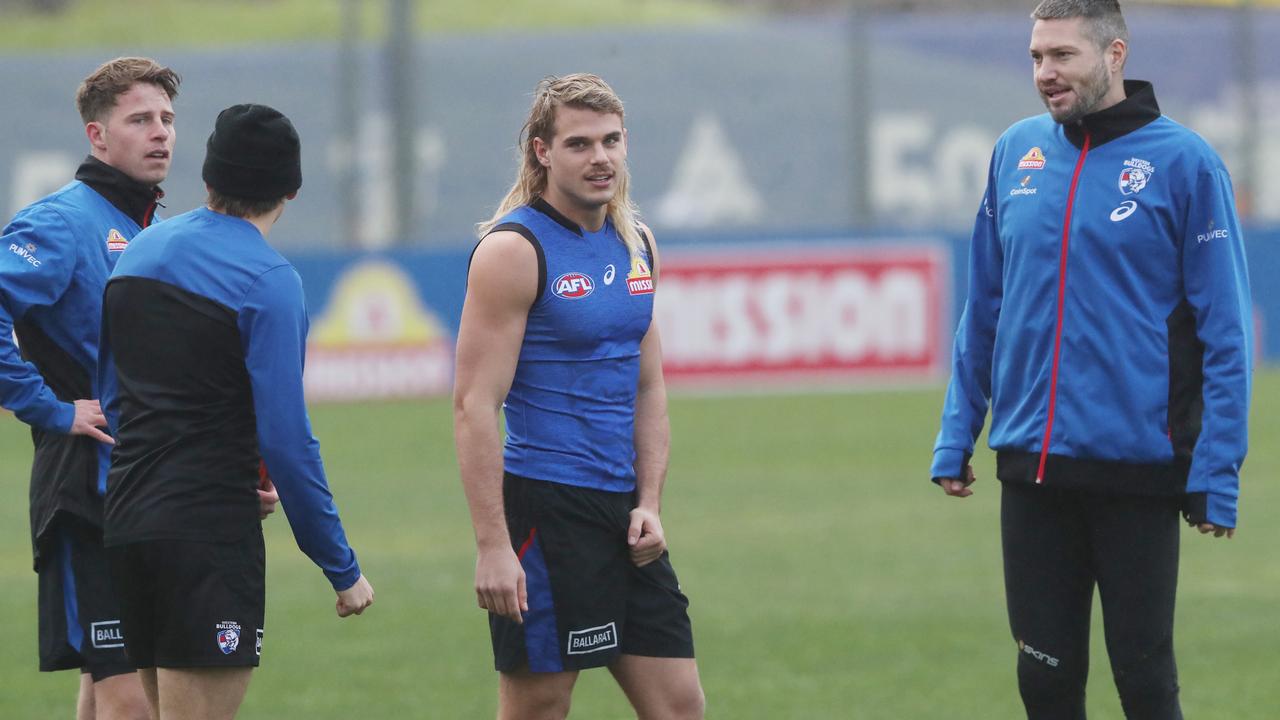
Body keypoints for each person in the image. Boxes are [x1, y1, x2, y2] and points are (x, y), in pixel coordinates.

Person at [930, 1, 1251, 718]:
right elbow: (985, 307)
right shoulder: (1016, 151)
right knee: (1044, 685)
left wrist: (1215, 474)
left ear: (1115, 55)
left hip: (1137, 472)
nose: (1045, 73)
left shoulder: (1186, 163)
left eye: (1062, 56)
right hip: (1031, 473)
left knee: (1144, 682)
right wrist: (958, 435)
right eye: (1037, 56)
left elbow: (1227, 333)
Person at [97, 103, 373, 720]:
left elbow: (117, 400)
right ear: (292, 189)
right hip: (206, 536)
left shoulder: (137, 254)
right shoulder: (269, 280)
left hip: (130, 524)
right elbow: (287, 440)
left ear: (208, 176)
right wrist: (342, 567)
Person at [453, 73, 705, 720]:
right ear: (542, 152)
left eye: (612, 141)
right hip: (545, 510)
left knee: (680, 707)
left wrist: (649, 501)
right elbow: (474, 406)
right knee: (540, 707)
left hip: (623, 516)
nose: (601, 158)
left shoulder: (636, 243)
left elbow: (649, 386)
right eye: (580, 144)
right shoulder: (514, 249)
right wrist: (493, 546)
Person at [0, 56, 225, 720]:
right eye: (140, 120)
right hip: (87, 490)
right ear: (98, 137)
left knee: (109, 693)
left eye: (168, 119)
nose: (161, 133)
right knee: (131, 701)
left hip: (150, 492)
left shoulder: (157, 230)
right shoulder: (62, 223)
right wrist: (46, 406)